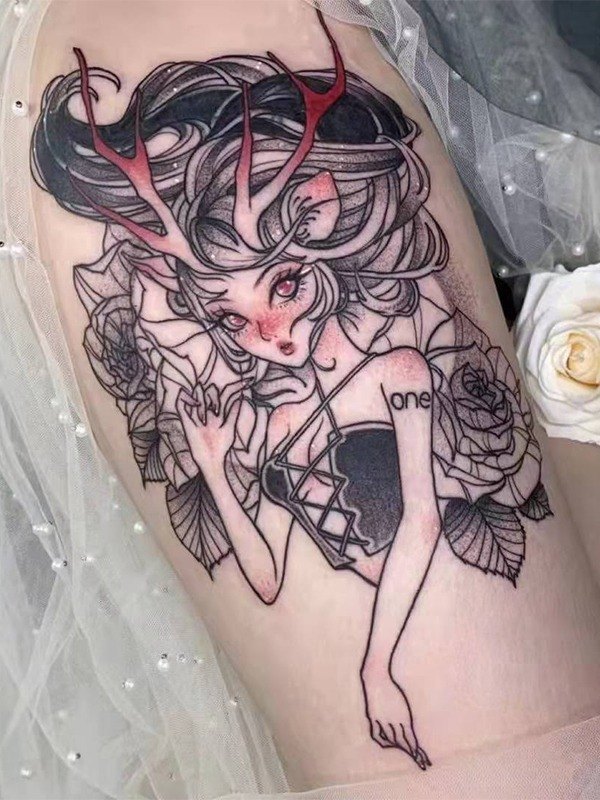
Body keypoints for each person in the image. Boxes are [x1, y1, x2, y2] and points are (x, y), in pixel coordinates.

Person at [2, 0, 598, 795]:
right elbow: (268, 575)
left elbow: (423, 520)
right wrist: (216, 466)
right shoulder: (186, 23)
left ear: (319, 223)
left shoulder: (399, 371)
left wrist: (379, 669)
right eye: (230, 318)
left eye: (285, 286)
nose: (273, 336)